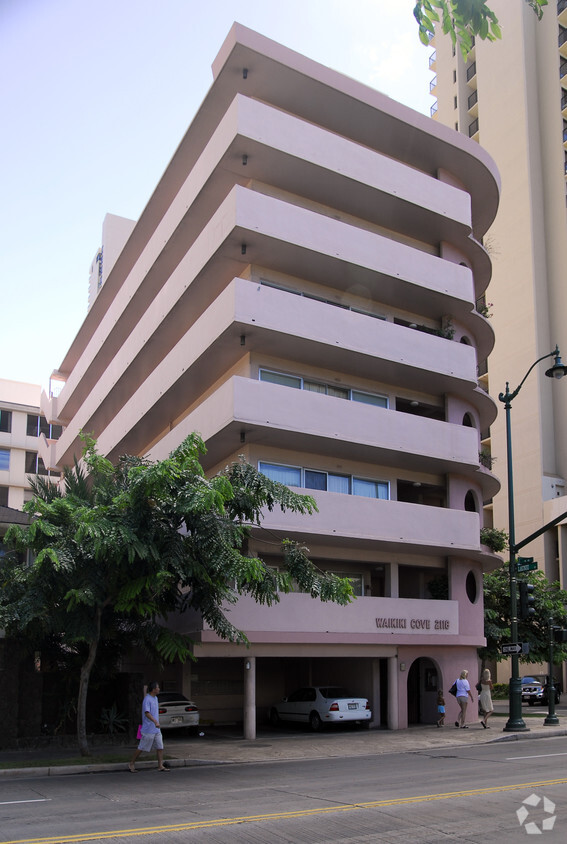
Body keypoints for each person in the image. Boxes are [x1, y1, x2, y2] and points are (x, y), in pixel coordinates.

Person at [129, 681, 170, 772]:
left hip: (156, 729)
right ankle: (131, 763)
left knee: (160, 747)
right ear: (154, 689)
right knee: (142, 747)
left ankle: (160, 765)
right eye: (158, 687)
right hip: (148, 729)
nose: (159, 689)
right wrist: (155, 721)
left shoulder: (155, 698)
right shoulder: (147, 699)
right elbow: (147, 713)